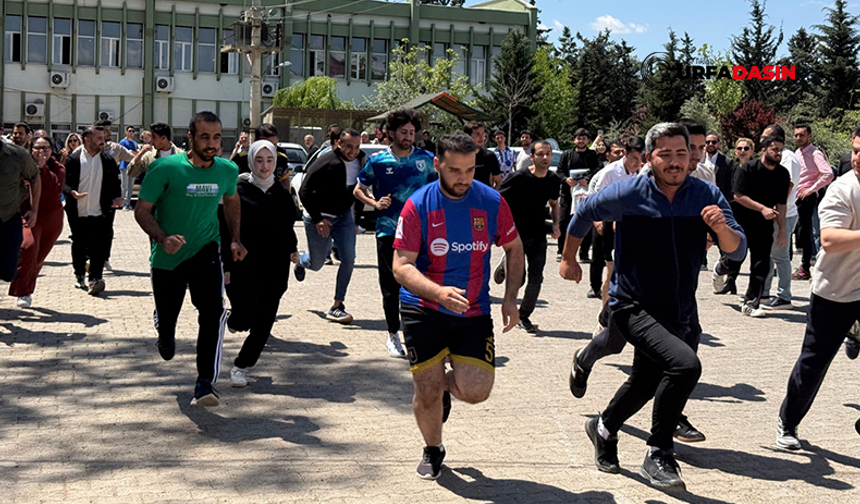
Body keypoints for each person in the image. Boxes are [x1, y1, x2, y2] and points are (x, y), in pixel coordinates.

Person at [561, 122, 745, 490]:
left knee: (646, 382)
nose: (676, 161)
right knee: (685, 365)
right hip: (633, 305)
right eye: (666, 154)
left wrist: (720, 228)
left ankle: (603, 427)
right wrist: (568, 259)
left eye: (682, 153)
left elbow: (737, 248)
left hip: (680, 309)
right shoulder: (627, 193)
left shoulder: (705, 194)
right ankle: (658, 452)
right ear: (649, 158)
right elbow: (582, 214)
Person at [392, 131, 524, 480]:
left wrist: (510, 298)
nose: (463, 178)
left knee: (477, 390)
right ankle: (433, 449)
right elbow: (401, 266)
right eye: (454, 170)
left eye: (469, 170)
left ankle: (441, 390)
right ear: (437, 165)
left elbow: (514, 247)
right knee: (428, 389)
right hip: (423, 308)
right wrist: (437, 292)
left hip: (473, 309)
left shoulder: (491, 201)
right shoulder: (417, 204)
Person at [135, 111, 245, 407]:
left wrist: (234, 237)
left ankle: (205, 383)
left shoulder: (227, 170)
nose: (212, 143)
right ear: (191, 139)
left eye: (217, 137)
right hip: (167, 257)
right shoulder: (164, 168)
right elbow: (142, 210)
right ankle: (164, 330)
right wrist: (162, 238)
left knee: (213, 313)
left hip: (206, 250)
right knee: (168, 330)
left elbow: (232, 200)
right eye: (205, 137)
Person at [776, 133, 860, 450]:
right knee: (813, 363)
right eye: (855, 151)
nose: (857, 158)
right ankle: (789, 421)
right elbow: (830, 240)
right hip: (834, 294)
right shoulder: (842, 190)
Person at [355, 109, 437, 357]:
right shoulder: (378, 161)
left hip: (421, 233)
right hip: (388, 231)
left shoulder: (426, 159)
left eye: (412, 132)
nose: (408, 137)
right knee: (391, 286)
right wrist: (374, 203)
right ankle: (393, 335)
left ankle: (422, 332)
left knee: (422, 282)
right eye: (403, 132)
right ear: (391, 133)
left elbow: (438, 188)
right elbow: (359, 189)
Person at [221, 140, 299, 388]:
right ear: (251, 161)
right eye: (259, 160)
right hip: (243, 266)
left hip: (275, 268)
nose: (264, 166)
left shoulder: (281, 194)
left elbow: (287, 226)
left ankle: (241, 366)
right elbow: (224, 230)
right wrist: (225, 266)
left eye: (269, 160)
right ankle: (234, 321)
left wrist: (293, 249)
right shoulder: (238, 190)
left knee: (264, 322)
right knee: (243, 317)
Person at [295, 128, 366, 325]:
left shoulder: (361, 160)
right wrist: (318, 219)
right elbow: (304, 191)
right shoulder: (326, 162)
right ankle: (301, 260)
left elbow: (359, 191)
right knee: (317, 264)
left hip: (343, 217)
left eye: (357, 147)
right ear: (339, 144)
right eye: (349, 147)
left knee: (349, 259)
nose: (353, 151)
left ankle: (337, 305)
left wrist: (356, 221)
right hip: (318, 217)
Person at [715, 135, 790, 317]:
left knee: (761, 263)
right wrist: (762, 208)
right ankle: (720, 268)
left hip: (764, 224)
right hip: (741, 220)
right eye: (774, 149)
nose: (778, 153)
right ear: (763, 150)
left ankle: (751, 302)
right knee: (735, 259)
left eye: (780, 149)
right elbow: (738, 196)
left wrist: (781, 230)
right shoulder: (749, 168)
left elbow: (781, 204)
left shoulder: (782, 174)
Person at [497, 140, 560, 333]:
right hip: (516, 233)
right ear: (531, 156)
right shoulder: (519, 177)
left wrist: (556, 224)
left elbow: (554, 204)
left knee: (536, 277)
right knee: (519, 278)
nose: (545, 158)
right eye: (540, 154)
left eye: (548, 154)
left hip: (538, 233)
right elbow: (499, 200)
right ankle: (505, 265)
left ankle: (524, 315)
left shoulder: (552, 179)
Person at [63, 125, 122, 294]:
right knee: (79, 244)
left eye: (104, 138)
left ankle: (95, 278)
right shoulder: (73, 159)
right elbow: (64, 183)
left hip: (100, 212)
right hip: (78, 211)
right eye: (99, 139)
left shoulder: (108, 160)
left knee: (99, 246)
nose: (103, 141)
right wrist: (71, 193)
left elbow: (115, 183)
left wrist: (116, 197)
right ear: (87, 140)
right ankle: (79, 275)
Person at [8, 136, 65, 308]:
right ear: (30, 150)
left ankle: (26, 287)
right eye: (37, 148)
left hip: (52, 217)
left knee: (38, 259)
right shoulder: (21, 166)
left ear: (51, 150)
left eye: (46, 148)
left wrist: (41, 169)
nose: (42, 152)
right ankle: (23, 292)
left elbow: (56, 189)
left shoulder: (58, 168)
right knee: (28, 248)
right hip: (29, 215)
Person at [762, 125, 803, 310]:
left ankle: (784, 296)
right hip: (775, 212)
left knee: (780, 256)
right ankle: (763, 292)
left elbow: (786, 187)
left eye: (765, 136)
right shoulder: (775, 156)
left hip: (784, 214)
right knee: (769, 255)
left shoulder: (788, 158)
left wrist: (775, 210)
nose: (761, 139)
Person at [793, 124, 834, 280]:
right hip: (796, 196)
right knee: (798, 232)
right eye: (796, 135)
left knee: (806, 231)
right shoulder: (797, 153)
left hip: (807, 197)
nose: (798, 138)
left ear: (809, 136)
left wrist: (812, 189)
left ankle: (806, 266)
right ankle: (801, 265)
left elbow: (828, 174)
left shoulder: (814, 153)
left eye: (801, 135)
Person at [0, 135, 40, 283]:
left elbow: (35, 178)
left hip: (9, 217)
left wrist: (34, 209)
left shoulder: (17, 155)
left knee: (8, 271)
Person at [558, 128, 600, 265]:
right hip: (568, 194)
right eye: (578, 138)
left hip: (585, 194)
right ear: (574, 140)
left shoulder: (593, 155)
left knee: (586, 222)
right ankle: (561, 251)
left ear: (588, 140)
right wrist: (566, 179)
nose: (581, 141)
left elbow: (598, 169)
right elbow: (559, 171)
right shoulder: (566, 154)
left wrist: (588, 178)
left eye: (584, 138)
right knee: (564, 222)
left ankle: (584, 253)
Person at [463, 122, 501, 189]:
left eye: (482, 134)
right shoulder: (458, 157)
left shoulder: (489, 156)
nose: (481, 137)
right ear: (468, 137)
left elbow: (498, 181)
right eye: (477, 134)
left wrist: (490, 195)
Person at [119, 126, 139, 209]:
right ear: (126, 132)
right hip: (124, 166)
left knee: (131, 186)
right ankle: (124, 204)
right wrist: (131, 153)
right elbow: (121, 153)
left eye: (133, 131)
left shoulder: (134, 143)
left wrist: (132, 152)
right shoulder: (122, 142)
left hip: (133, 167)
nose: (131, 133)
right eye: (130, 131)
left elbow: (138, 153)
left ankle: (128, 203)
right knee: (125, 186)